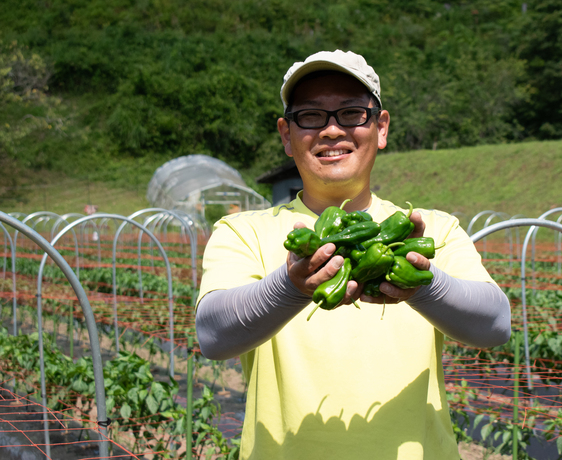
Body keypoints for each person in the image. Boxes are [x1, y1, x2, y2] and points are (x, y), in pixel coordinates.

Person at [195, 50, 511, 460]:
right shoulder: (245, 231)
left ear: (380, 128)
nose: (330, 130)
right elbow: (214, 335)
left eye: (350, 114)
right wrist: (291, 287)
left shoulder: (432, 228)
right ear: (286, 135)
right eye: (310, 116)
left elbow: (495, 325)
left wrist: (420, 284)